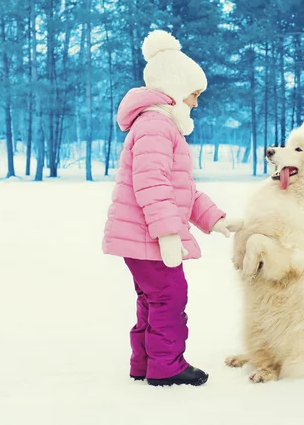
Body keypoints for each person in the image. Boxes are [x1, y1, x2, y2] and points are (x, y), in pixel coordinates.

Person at [102, 30, 242, 387]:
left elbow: (185, 191)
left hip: (144, 236)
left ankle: (145, 362)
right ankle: (166, 367)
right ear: (177, 92)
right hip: (149, 236)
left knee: (153, 300)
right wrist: (166, 233)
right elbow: (152, 185)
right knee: (169, 296)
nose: (196, 103)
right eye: (194, 95)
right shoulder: (154, 126)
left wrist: (217, 221)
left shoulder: (161, 127)